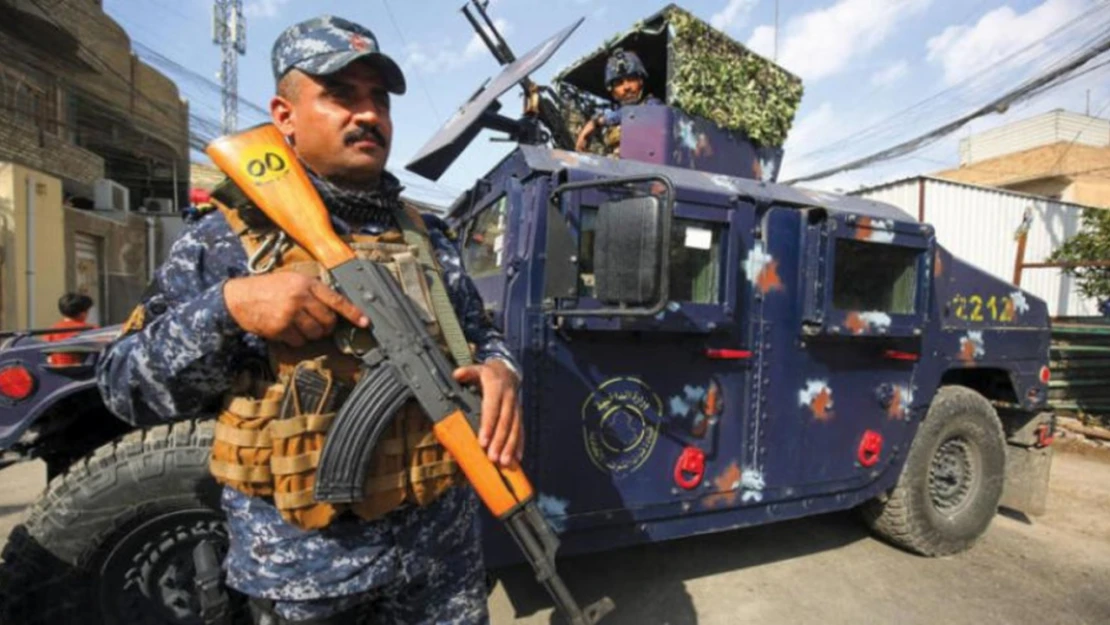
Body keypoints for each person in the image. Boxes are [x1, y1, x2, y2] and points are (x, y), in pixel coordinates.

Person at [97, 15, 523, 625]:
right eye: (340, 95)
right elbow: (123, 386)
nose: (369, 115)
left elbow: (481, 336)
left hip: (442, 563)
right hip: (306, 576)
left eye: (378, 99)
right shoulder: (226, 239)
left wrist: (501, 371)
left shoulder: (430, 235)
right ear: (284, 115)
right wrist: (229, 308)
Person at [574, 48, 662, 156]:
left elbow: (639, 114)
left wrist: (598, 122)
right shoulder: (611, 117)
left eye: (631, 79)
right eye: (619, 83)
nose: (626, 87)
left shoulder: (653, 106)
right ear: (612, 91)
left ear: (640, 81)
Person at [44, 292, 96, 365]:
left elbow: (47, 356)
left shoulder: (51, 331)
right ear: (82, 312)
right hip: (85, 372)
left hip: (57, 372)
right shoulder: (92, 330)